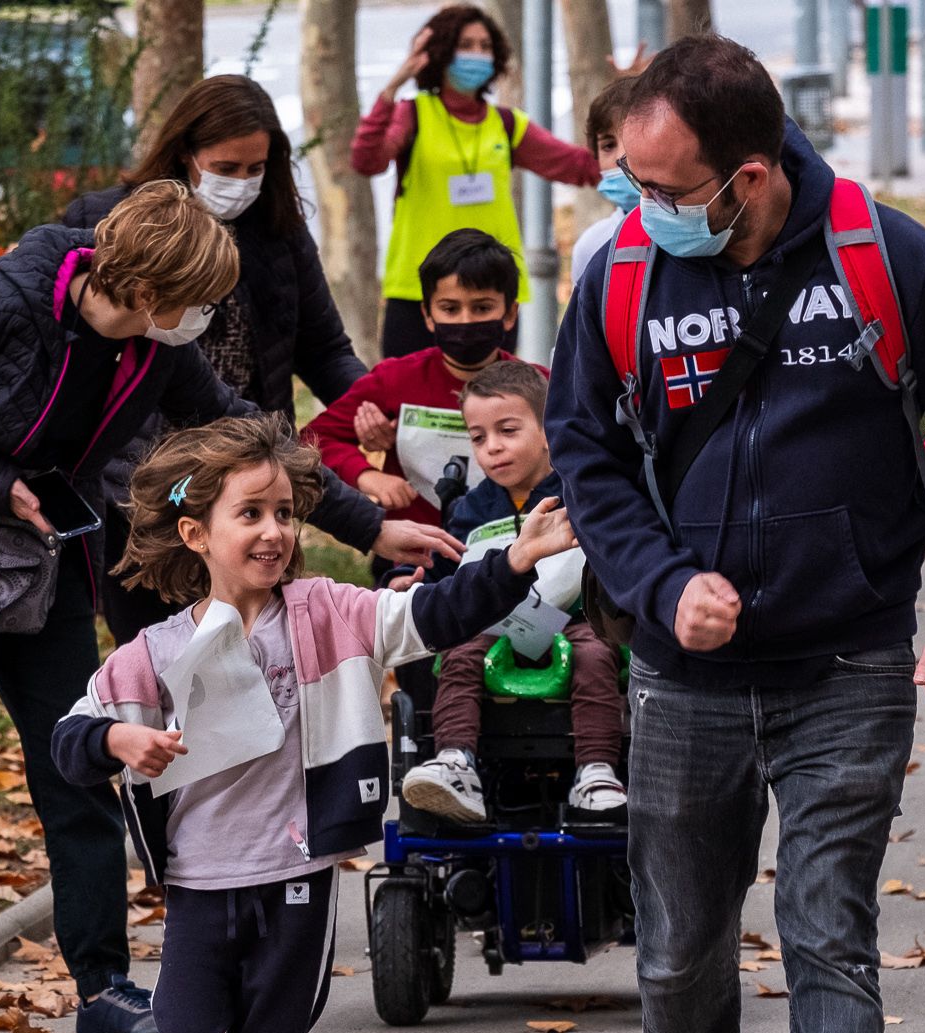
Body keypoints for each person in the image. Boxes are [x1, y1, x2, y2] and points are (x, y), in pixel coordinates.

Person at [547, 37, 925, 1033]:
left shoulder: (891, 259)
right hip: (682, 680)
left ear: (747, 177)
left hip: (847, 660)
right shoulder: (623, 275)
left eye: (661, 183)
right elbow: (582, 453)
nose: (636, 205)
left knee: (828, 937)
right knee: (677, 955)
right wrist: (657, 583)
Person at [0, 183, 435, 1033]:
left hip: (38, 565)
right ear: (150, 295)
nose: (204, 320)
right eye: (196, 302)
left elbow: (252, 437)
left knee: (85, 758)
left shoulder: (154, 350)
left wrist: (368, 522)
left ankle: (104, 987)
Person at [51, 415, 572, 1033]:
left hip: (295, 882)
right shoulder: (158, 650)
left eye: (285, 513)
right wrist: (120, 740)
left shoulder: (329, 615)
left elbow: (433, 614)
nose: (274, 532)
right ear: (195, 534)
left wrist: (515, 564)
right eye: (250, 514)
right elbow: (69, 740)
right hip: (201, 892)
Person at [62, 74, 371, 645]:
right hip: (146, 488)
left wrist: (370, 403)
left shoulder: (280, 233)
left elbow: (325, 349)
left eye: (256, 169)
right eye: (227, 168)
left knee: (258, 651)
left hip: (249, 475)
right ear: (185, 152)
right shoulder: (109, 220)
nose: (242, 183)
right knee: (162, 653)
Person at [397, 361, 627, 822]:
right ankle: (456, 761)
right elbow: (448, 575)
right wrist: (407, 582)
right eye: (479, 438)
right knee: (459, 653)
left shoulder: (578, 491)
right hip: (493, 624)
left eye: (507, 430)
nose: (493, 448)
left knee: (596, 657)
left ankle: (597, 771)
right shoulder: (469, 509)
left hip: (576, 619)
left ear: (548, 430)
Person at [351, 4, 598, 358]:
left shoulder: (506, 124)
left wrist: (632, 106)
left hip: (491, 291)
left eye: (485, 47)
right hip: (417, 289)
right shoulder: (413, 114)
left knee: (487, 403)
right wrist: (393, 85)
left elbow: (582, 167)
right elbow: (367, 160)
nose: (477, 55)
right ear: (438, 52)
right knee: (410, 407)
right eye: (466, 45)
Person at [303, 228, 529, 532]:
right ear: (428, 315)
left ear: (510, 313)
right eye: (450, 308)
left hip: (513, 554)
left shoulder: (538, 387)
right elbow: (313, 439)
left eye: (482, 307)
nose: (465, 320)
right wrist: (367, 475)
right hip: (410, 556)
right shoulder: (395, 379)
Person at [569, 76, 645, 287]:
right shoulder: (591, 246)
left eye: (635, 138)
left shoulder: (697, 236)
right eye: (608, 145)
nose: (622, 157)